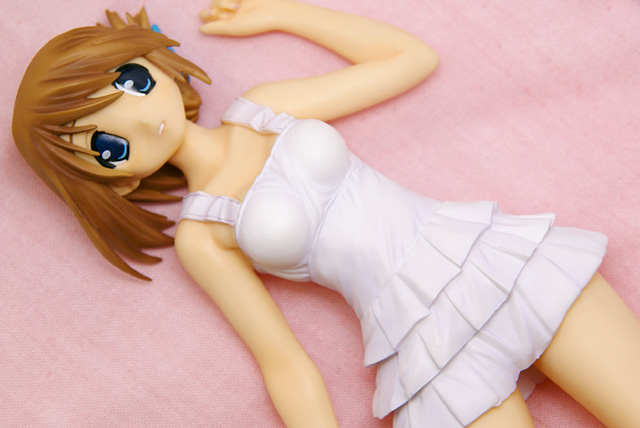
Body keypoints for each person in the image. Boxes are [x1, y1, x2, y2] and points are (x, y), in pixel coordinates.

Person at [11, 1, 640, 427]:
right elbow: (283, 361)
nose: (141, 118)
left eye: (130, 81)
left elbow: (409, 58)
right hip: (420, 346)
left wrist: (284, 11)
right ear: (117, 182)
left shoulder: (262, 110)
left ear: (150, 59)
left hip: (493, 262)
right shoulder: (202, 237)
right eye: (107, 145)